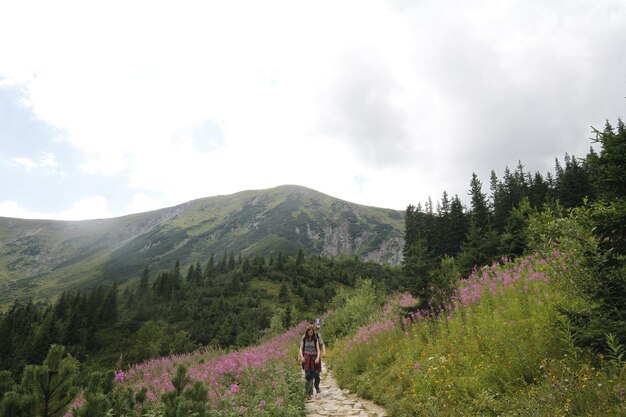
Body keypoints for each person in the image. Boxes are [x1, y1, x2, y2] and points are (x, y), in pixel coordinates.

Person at [299, 324, 321, 396]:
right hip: (306, 359)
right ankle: (309, 392)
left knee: (316, 375)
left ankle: (316, 385)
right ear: (307, 332)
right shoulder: (304, 338)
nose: (310, 334)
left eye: (311, 332)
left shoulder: (315, 338)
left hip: (314, 358)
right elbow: (301, 348)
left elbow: (318, 349)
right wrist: (301, 357)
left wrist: (318, 358)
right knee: (308, 375)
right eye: (309, 332)